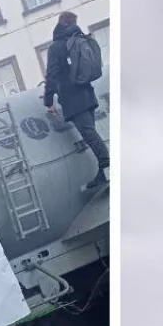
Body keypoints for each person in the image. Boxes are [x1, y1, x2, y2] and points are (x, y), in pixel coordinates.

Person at [44, 10, 109, 191]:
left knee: (89, 134)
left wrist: (48, 100)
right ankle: (104, 172)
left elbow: (51, 74)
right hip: (87, 93)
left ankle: (108, 167)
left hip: (73, 98)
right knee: (92, 134)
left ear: (59, 23)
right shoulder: (79, 39)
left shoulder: (56, 46)